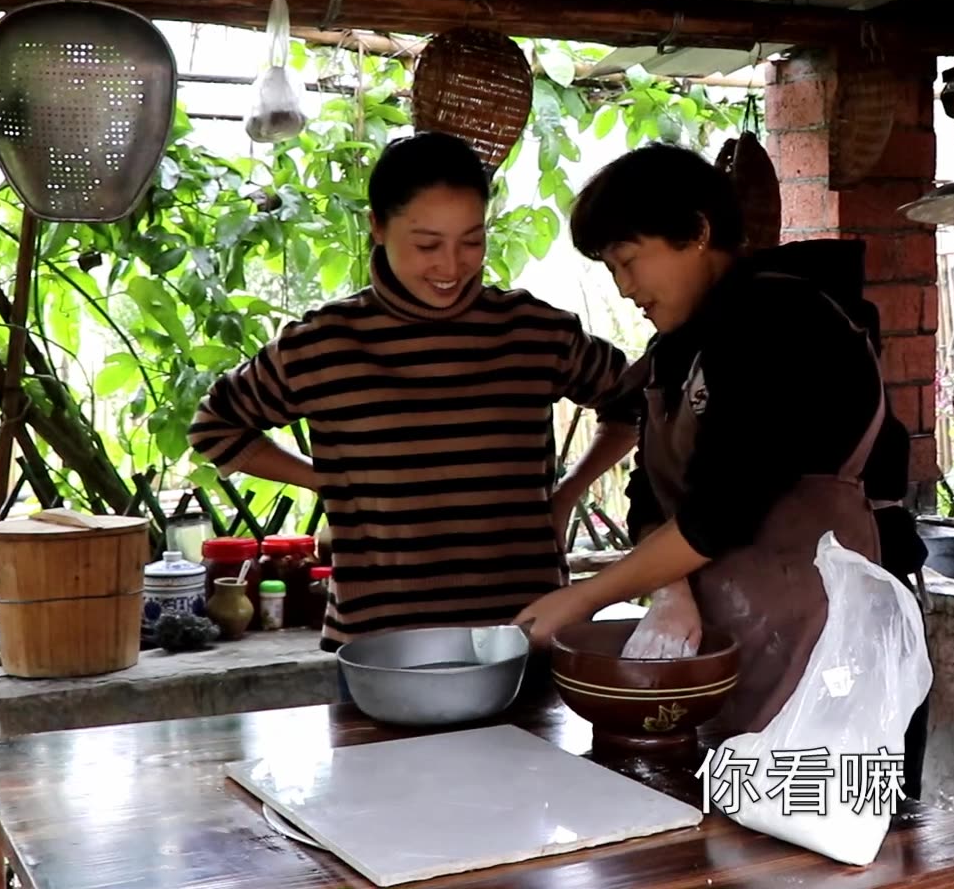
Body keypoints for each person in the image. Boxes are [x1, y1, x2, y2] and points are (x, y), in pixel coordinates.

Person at [512, 144, 929, 773]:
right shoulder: (677, 351)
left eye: (629, 260)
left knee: (833, 845)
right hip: (738, 640)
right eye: (610, 270)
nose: (625, 288)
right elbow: (652, 498)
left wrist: (586, 598)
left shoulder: (783, 323)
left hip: (841, 645)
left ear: (698, 231)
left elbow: (722, 511)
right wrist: (671, 591)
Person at [190, 131, 639, 652]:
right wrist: (325, 480)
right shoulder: (323, 344)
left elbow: (636, 402)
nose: (451, 267)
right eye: (428, 244)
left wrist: (565, 497)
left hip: (520, 636)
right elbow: (213, 426)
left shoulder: (534, 331)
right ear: (377, 227)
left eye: (472, 241)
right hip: (380, 645)